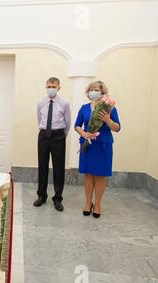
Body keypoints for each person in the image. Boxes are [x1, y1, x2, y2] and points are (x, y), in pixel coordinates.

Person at [74, 81, 120, 219]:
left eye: (97, 89)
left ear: (102, 92)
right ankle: (88, 203)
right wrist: (83, 133)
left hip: (103, 146)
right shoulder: (84, 108)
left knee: (100, 175)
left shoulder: (109, 108)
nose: (94, 91)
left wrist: (108, 120)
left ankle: (98, 204)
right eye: (92, 89)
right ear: (89, 92)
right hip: (88, 145)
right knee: (88, 174)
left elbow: (117, 128)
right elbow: (77, 125)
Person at [34, 77, 71, 211]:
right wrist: (44, 132)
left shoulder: (64, 103)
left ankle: (57, 198)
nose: (51, 89)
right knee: (42, 166)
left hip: (58, 136)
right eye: (48, 86)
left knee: (58, 168)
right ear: (45, 87)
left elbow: (67, 123)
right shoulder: (41, 103)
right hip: (44, 135)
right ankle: (41, 196)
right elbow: (39, 120)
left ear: (58, 87)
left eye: (53, 87)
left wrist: (61, 136)